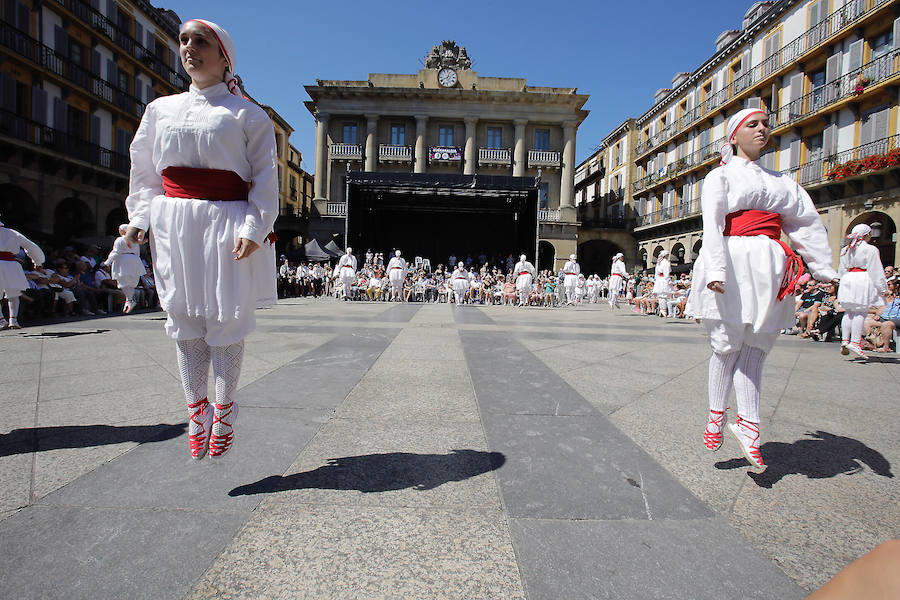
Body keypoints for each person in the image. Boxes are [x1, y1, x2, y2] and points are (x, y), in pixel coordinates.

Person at [124, 19, 278, 460]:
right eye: (184, 40)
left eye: (201, 41)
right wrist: (139, 218)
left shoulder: (248, 115)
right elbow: (144, 172)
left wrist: (254, 229)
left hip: (227, 221)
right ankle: (197, 410)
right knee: (183, 316)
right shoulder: (159, 110)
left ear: (224, 57)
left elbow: (265, 179)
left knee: (225, 317)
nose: (189, 47)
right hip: (173, 223)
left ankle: (224, 409)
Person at [685, 108, 837, 472]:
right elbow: (712, 225)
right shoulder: (721, 176)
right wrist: (716, 269)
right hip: (733, 257)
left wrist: (822, 266)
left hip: (769, 263)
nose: (762, 129)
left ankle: (749, 425)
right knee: (726, 344)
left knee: (757, 346)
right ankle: (717, 414)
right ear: (734, 136)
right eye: (753, 125)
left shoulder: (783, 182)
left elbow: (806, 224)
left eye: (766, 124)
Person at [836, 224, 888, 359]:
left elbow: (841, 269)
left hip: (848, 279)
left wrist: (842, 282)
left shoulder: (845, 249)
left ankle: (845, 340)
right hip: (862, 279)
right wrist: (883, 288)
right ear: (866, 235)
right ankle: (855, 342)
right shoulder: (870, 249)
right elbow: (876, 269)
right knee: (860, 311)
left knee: (849, 311)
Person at [0, 215, 45, 330]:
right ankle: (13, 320)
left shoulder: (12, 233)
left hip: (8, 264)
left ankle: (2, 320)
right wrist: (38, 261)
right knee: (14, 293)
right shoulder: (12, 233)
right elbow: (31, 246)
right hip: (11, 265)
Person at [103, 224, 146, 313]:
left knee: (122, 281)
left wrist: (108, 261)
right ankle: (129, 299)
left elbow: (116, 252)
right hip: (135, 260)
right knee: (131, 282)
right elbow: (138, 253)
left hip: (124, 261)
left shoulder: (120, 239)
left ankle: (130, 299)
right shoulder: (135, 240)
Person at [653, 249, 673, 316]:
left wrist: (656, 279)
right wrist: (669, 280)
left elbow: (656, 273)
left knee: (660, 296)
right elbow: (666, 273)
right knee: (664, 296)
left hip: (659, 279)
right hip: (664, 279)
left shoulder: (659, 263)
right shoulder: (666, 262)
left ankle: (662, 309)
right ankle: (664, 310)